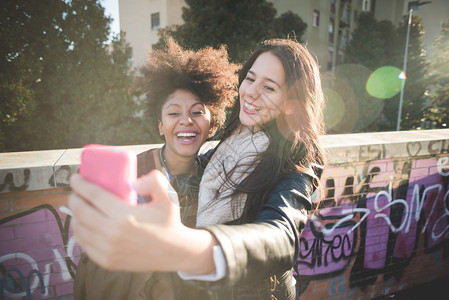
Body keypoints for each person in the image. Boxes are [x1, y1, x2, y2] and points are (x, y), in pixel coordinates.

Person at [69, 37, 326, 299]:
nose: (251, 92)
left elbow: (281, 238)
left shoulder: (299, 159)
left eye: (269, 87)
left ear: (291, 103)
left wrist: (188, 248)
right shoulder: (223, 150)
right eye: (250, 79)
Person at [72, 37, 239, 299]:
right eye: (173, 113)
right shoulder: (135, 174)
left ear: (211, 122)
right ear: (160, 125)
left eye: (197, 112)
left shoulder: (217, 174)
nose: (186, 121)